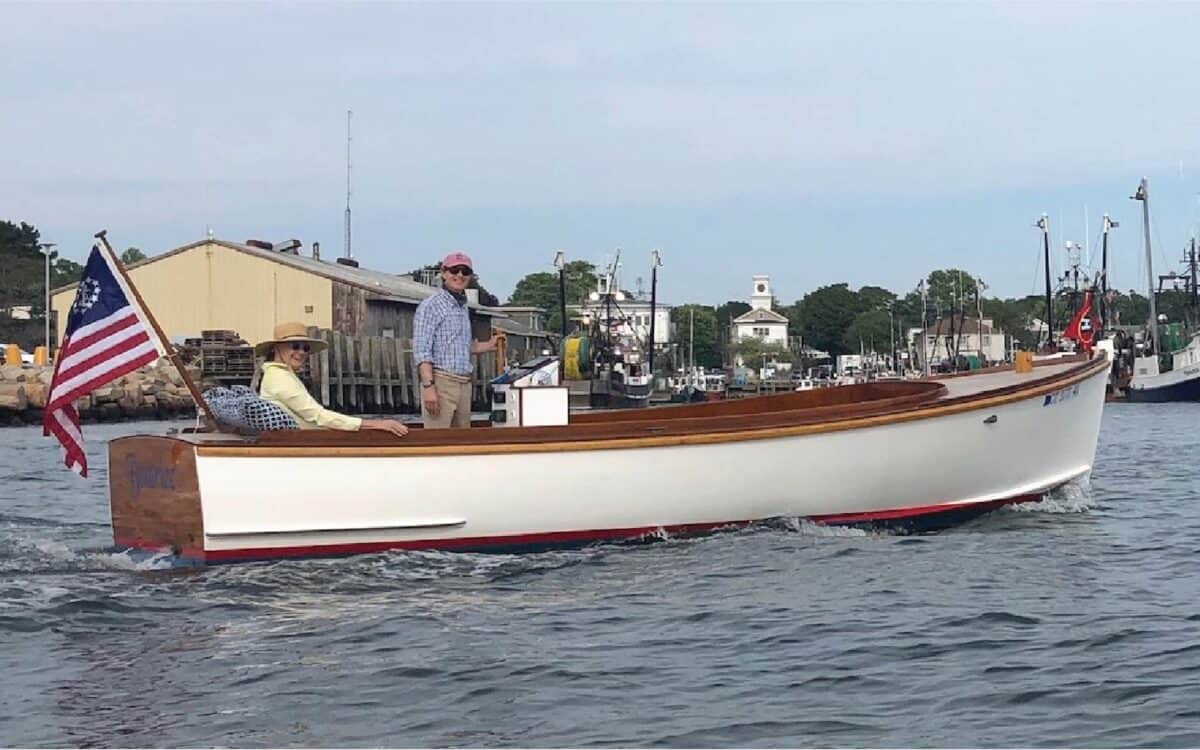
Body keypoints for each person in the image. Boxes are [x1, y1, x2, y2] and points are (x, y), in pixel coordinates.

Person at [256, 321, 408, 437]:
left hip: (306, 440)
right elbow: (318, 416)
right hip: (302, 444)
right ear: (276, 349)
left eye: (306, 348)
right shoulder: (280, 377)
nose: (301, 352)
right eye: (295, 346)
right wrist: (376, 424)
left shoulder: (279, 374)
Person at [413, 251, 500, 428]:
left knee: (462, 440)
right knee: (437, 442)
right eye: (454, 270)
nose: (459, 275)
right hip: (441, 382)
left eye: (465, 272)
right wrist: (429, 387)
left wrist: (490, 344)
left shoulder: (463, 307)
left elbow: (460, 347)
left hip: (464, 384)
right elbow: (422, 351)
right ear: (444, 273)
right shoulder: (430, 305)